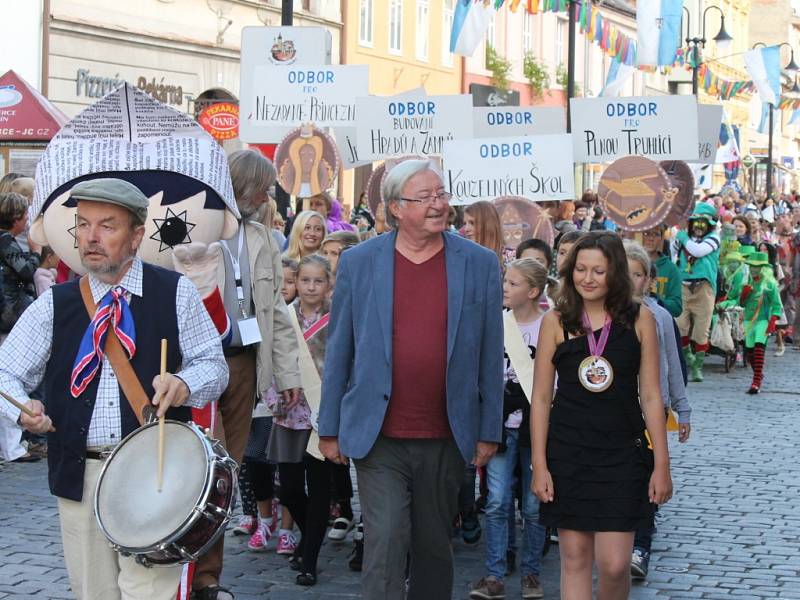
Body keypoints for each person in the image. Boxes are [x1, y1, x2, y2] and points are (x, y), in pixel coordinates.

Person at [0, 177, 229, 600]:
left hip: (156, 473)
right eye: (83, 224)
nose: (90, 237)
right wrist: (22, 408)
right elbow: (4, 374)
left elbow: (214, 368)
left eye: (107, 225)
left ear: (137, 235)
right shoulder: (57, 303)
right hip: (79, 473)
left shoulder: (175, 292)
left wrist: (183, 383)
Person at [318, 159, 504, 600]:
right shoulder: (360, 262)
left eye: (441, 193)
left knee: (433, 547)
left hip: (446, 431)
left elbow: (489, 356)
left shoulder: (478, 264)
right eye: (426, 197)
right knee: (384, 541)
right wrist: (329, 428)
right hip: (378, 432)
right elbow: (339, 347)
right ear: (396, 208)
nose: (440, 204)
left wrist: (487, 428)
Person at [532, 231, 672, 600]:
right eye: (580, 269)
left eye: (598, 270)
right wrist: (539, 463)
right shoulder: (556, 322)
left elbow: (653, 395)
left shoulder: (640, 319)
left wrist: (662, 463)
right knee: (574, 558)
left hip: (622, 455)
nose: (588, 278)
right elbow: (542, 397)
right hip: (569, 452)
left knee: (614, 564)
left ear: (616, 274)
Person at [192, 150, 302, 600]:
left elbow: (274, 312)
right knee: (192, 469)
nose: (268, 194)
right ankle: (177, 564)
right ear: (244, 185)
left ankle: (207, 579)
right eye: (264, 186)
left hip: (243, 364)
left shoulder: (263, 238)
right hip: (195, 365)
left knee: (224, 474)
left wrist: (288, 373)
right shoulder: (196, 226)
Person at [470, 258, 548, 600]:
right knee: (498, 502)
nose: (505, 287)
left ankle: (531, 574)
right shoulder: (496, 324)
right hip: (500, 426)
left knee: (533, 506)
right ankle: (494, 574)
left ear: (532, 291)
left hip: (536, 428)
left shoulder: (549, 325)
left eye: (513, 283)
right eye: (505, 281)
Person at [266, 254, 335, 586]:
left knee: (320, 489)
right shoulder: (284, 317)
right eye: (305, 280)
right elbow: (270, 359)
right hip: (290, 414)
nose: (310, 286)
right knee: (291, 488)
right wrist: (274, 395)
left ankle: (309, 560)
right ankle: (309, 539)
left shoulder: (337, 319)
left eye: (317, 281)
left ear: (328, 284)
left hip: (323, 415)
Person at [624, 240, 691, 579]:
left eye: (638, 274)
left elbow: (673, 367)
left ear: (648, 279)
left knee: (647, 478)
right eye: (626, 273)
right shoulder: (607, 315)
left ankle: (641, 547)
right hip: (617, 412)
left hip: (652, 410)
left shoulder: (660, 316)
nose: (632, 280)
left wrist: (682, 409)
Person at [671, 203, 721, 383]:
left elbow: (698, 251)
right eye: (696, 222)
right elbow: (673, 254)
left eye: (703, 223)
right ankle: (688, 357)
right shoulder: (683, 238)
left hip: (704, 289)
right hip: (683, 286)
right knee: (680, 325)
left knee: (701, 330)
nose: (699, 227)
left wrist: (682, 237)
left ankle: (697, 365)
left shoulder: (714, 238)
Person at [0, 192, 42, 332]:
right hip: (7, 313)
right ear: (15, 219)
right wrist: (36, 252)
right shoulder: (5, 241)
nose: (27, 217)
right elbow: (26, 271)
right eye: (25, 214)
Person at [640, 225, 683, 318]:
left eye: (656, 234)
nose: (651, 238)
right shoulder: (630, 264)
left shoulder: (671, 269)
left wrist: (656, 300)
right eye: (646, 233)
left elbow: (677, 307)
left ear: (662, 238)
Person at [463, 200, 504, 266]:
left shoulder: (510, 259)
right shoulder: (463, 256)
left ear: (488, 224)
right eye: (465, 223)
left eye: (472, 223)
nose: (466, 229)